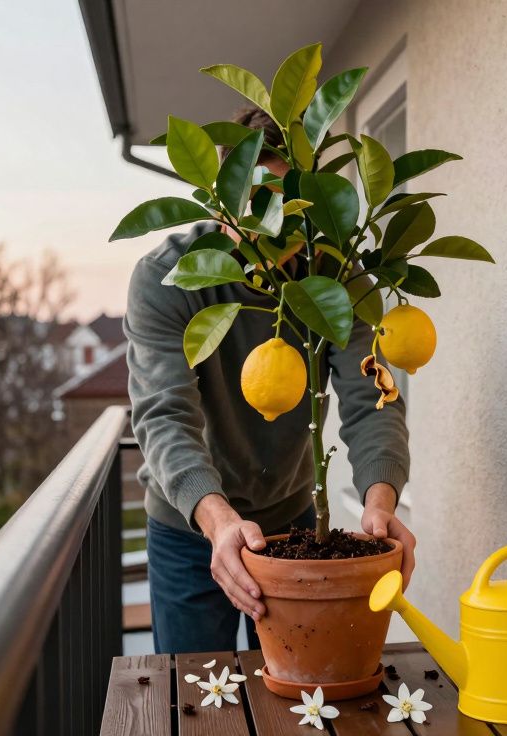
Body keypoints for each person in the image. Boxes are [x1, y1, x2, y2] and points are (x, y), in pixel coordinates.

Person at [125, 106, 416, 654]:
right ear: (225, 198)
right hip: (189, 529)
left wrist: (381, 501)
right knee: (196, 697)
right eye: (255, 202)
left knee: (294, 690)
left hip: (293, 521)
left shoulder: (334, 280)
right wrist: (215, 518)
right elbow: (164, 413)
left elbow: (370, 397)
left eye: (287, 204)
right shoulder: (170, 278)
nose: (272, 222)